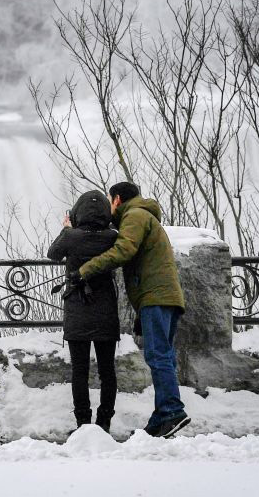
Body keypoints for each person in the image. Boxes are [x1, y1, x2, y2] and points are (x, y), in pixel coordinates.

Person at [77, 182, 190, 438]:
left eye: (109, 200)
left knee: (158, 355)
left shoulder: (135, 215)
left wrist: (85, 269)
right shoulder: (143, 215)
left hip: (156, 298)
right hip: (162, 297)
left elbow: (124, 249)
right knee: (164, 356)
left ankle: (172, 410)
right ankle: (161, 417)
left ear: (117, 199)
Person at [48, 190, 120, 433]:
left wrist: (66, 229)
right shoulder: (112, 237)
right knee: (107, 370)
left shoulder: (72, 237)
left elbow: (53, 254)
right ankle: (104, 421)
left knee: (80, 371)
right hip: (105, 310)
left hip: (78, 309)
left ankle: (83, 423)